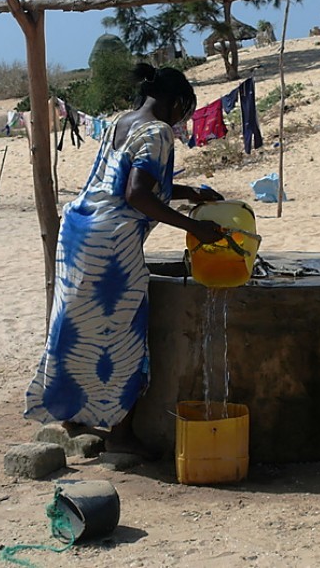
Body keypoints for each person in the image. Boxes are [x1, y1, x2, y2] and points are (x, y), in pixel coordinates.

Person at [25, 62, 223, 456]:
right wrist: (195, 228)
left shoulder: (122, 122)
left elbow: (120, 183)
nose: (183, 120)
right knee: (125, 338)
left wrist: (189, 193)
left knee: (75, 329)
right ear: (178, 103)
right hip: (112, 246)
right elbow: (136, 195)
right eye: (184, 111)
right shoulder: (159, 131)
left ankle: (72, 417)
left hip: (78, 232)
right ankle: (121, 434)